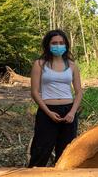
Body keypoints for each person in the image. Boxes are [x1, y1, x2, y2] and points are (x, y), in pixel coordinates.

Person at [28, 29, 82, 167]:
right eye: (54, 43)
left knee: (66, 153)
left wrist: (72, 112)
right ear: (48, 45)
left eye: (61, 42)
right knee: (41, 150)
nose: (58, 46)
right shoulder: (40, 64)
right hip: (47, 111)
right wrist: (48, 112)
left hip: (68, 112)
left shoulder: (72, 65)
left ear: (66, 45)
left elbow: (79, 92)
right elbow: (34, 92)